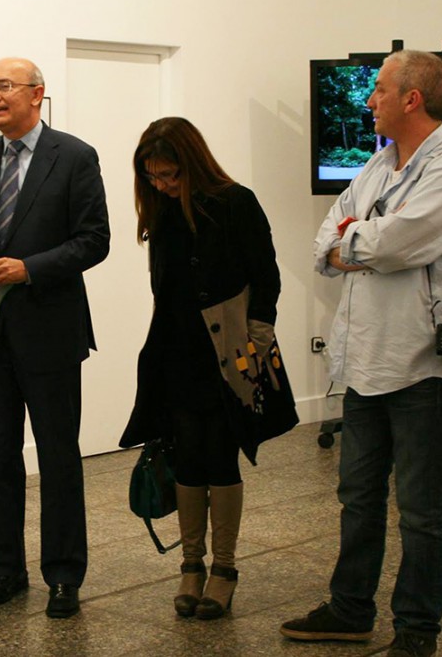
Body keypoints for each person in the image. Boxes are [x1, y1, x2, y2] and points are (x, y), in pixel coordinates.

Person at [280, 50, 442, 657]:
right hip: (365, 362)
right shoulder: (376, 166)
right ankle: (350, 610)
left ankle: (417, 629)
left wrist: (353, 239)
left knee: (420, 510)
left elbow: (392, 244)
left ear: (411, 98)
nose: (369, 100)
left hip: (423, 363)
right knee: (358, 497)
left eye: (377, 90)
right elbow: (327, 236)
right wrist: (349, 240)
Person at [0, 57, 110, 618]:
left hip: (51, 331)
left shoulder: (75, 156)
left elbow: (95, 241)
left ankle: (64, 575)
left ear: (37, 94)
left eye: (5, 86)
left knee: (59, 457)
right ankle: (6, 571)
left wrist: (30, 268)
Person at [119, 117, 296, 621]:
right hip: (174, 354)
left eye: (170, 175)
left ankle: (225, 569)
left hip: (227, 355)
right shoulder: (161, 211)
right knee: (185, 457)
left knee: (221, 458)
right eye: (153, 177)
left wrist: (257, 342)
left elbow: (267, 276)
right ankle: (189, 566)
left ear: (191, 163)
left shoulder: (235, 202)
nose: (162, 185)